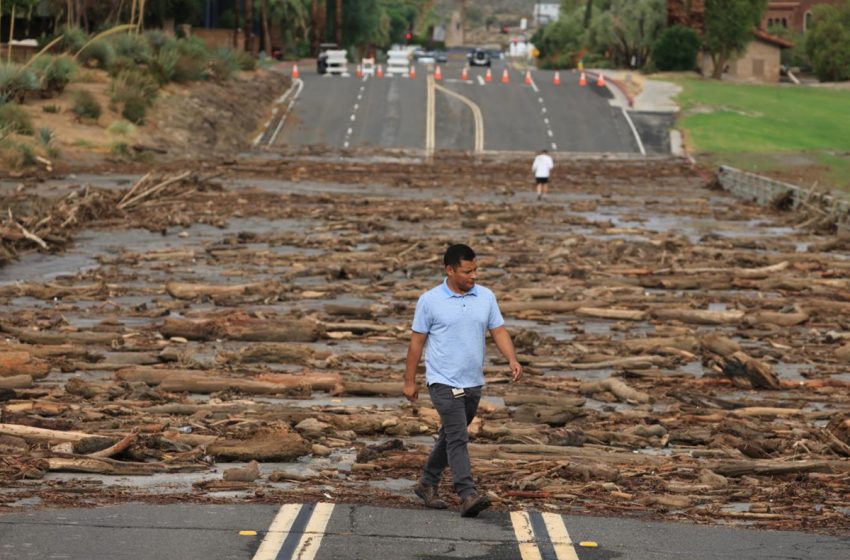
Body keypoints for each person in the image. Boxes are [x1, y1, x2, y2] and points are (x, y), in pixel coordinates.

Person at [404, 244, 523, 517]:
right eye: (467, 271)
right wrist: (409, 382)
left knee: (450, 435)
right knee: (458, 436)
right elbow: (416, 344)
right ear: (449, 270)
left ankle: (427, 483)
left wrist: (512, 359)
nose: (474, 276)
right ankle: (467, 494)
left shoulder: (486, 297)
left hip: (472, 382)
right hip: (442, 381)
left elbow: (499, 331)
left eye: (476, 270)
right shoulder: (430, 300)